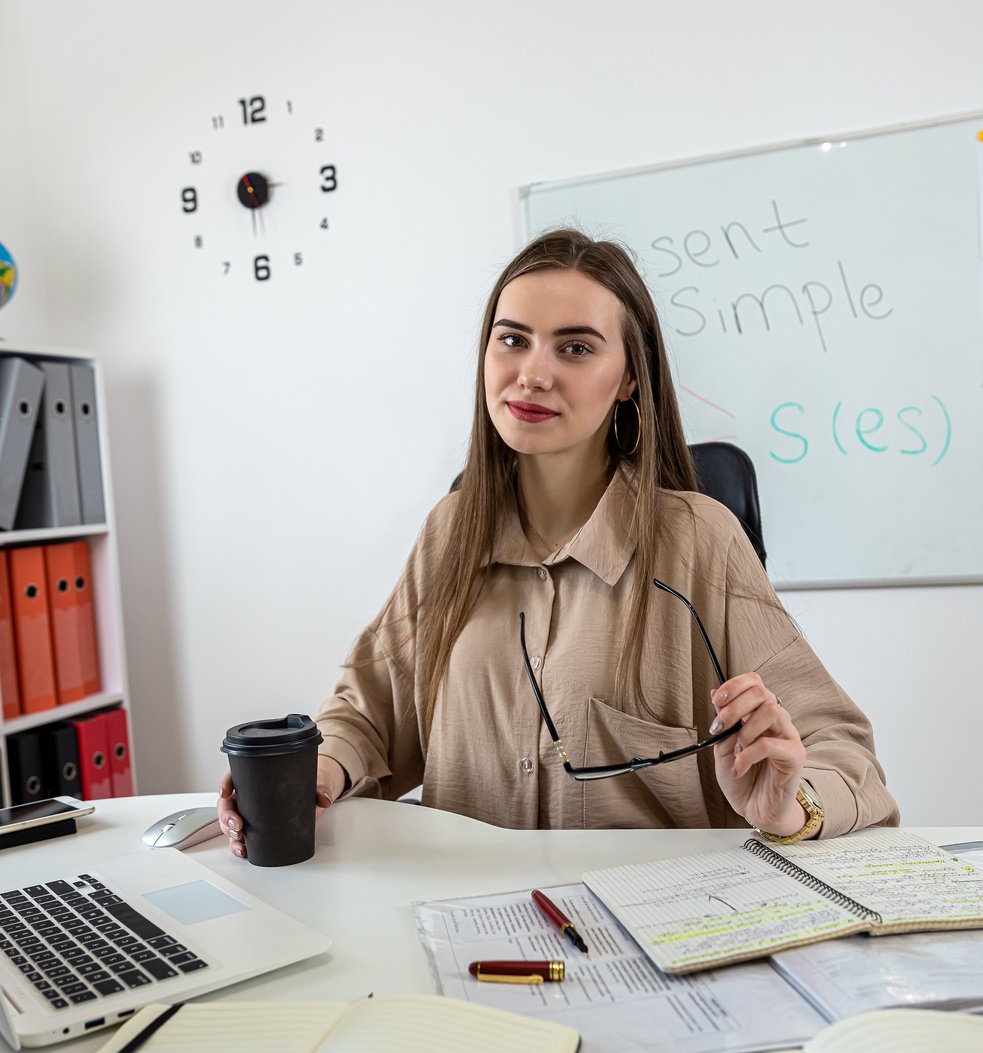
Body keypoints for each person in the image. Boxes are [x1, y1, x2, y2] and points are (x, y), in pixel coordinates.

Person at [218, 229, 898, 855]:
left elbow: (841, 751)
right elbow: (369, 713)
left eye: (574, 348)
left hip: (651, 937)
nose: (532, 374)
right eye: (511, 340)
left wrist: (790, 805)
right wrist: (317, 772)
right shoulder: (449, 533)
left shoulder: (699, 540)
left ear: (630, 377)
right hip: (465, 922)